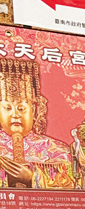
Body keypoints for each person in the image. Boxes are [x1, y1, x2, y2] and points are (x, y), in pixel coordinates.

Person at [0, 56, 75, 190]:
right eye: (7, 108)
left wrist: (32, 177)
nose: (15, 114)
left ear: (34, 110)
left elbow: (73, 186)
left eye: (22, 108)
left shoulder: (57, 150)